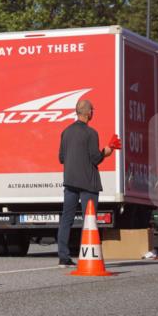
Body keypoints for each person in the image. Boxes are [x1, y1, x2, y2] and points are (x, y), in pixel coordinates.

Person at [56, 99, 114, 266]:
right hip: (88, 183)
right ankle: (87, 255)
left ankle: (63, 257)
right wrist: (106, 152)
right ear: (89, 113)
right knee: (89, 221)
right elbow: (95, 158)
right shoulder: (91, 133)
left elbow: (61, 158)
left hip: (70, 182)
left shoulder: (65, 132)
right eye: (92, 110)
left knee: (66, 219)